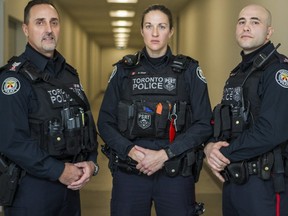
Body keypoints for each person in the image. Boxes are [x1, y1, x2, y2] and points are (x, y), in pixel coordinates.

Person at [97, 4, 212, 216]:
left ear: (171, 31)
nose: (155, 33)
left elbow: (204, 123)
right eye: (149, 26)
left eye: (162, 26)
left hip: (175, 172)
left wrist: (165, 155)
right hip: (131, 170)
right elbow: (104, 122)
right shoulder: (123, 70)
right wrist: (130, 151)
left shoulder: (189, 71)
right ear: (141, 30)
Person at [0, 1, 99, 215]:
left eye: (54, 22)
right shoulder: (14, 79)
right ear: (26, 29)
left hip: (70, 187)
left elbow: (85, 122)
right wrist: (58, 171)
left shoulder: (69, 74)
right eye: (40, 22)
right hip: (32, 190)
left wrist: (91, 163)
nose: (48, 29)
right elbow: (12, 141)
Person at [204, 4, 288, 216]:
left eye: (255, 22)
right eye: (242, 21)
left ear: (269, 32)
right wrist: (209, 147)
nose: (246, 27)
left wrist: (222, 155)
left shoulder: (278, 70)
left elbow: (271, 130)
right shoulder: (238, 73)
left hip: (265, 185)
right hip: (234, 179)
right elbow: (225, 123)